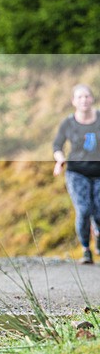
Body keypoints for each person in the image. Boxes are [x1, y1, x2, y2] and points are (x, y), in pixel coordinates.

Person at [53, 84, 100, 264]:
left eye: (87, 96)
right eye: (79, 97)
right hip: (77, 173)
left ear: (92, 99)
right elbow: (57, 145)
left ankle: (98, 234)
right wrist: (60, 160)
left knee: (99, 212)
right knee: (84, 210)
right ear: (73, 101)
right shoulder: (68, 123)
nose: (84, 100)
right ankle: (86, 249)